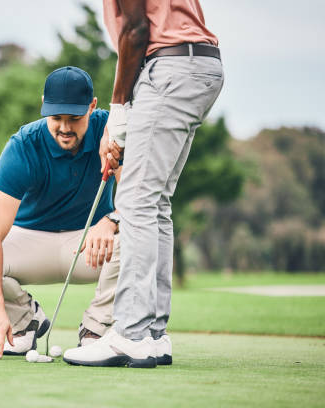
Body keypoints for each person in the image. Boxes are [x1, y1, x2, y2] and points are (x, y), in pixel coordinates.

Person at [63, 0, 224, 368]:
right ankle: (153, 335)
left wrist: (118, 109)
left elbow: (135, 31)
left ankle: (130, 334)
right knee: (156, 204)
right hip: (194, 66)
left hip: (169, 67)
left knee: (135, 202)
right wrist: (126, 112)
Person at [0, 66, 122, 360]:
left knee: (142, 239)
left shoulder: (111, 131)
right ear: (44, 106)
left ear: (92, 106)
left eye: (75, 119)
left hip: (90, 243)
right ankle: (24, 322)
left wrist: (111, 221)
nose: (65, 128)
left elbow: (141, 199)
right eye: (56, 118)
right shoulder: (23, 146)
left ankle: (96, 330)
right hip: (29, 240)